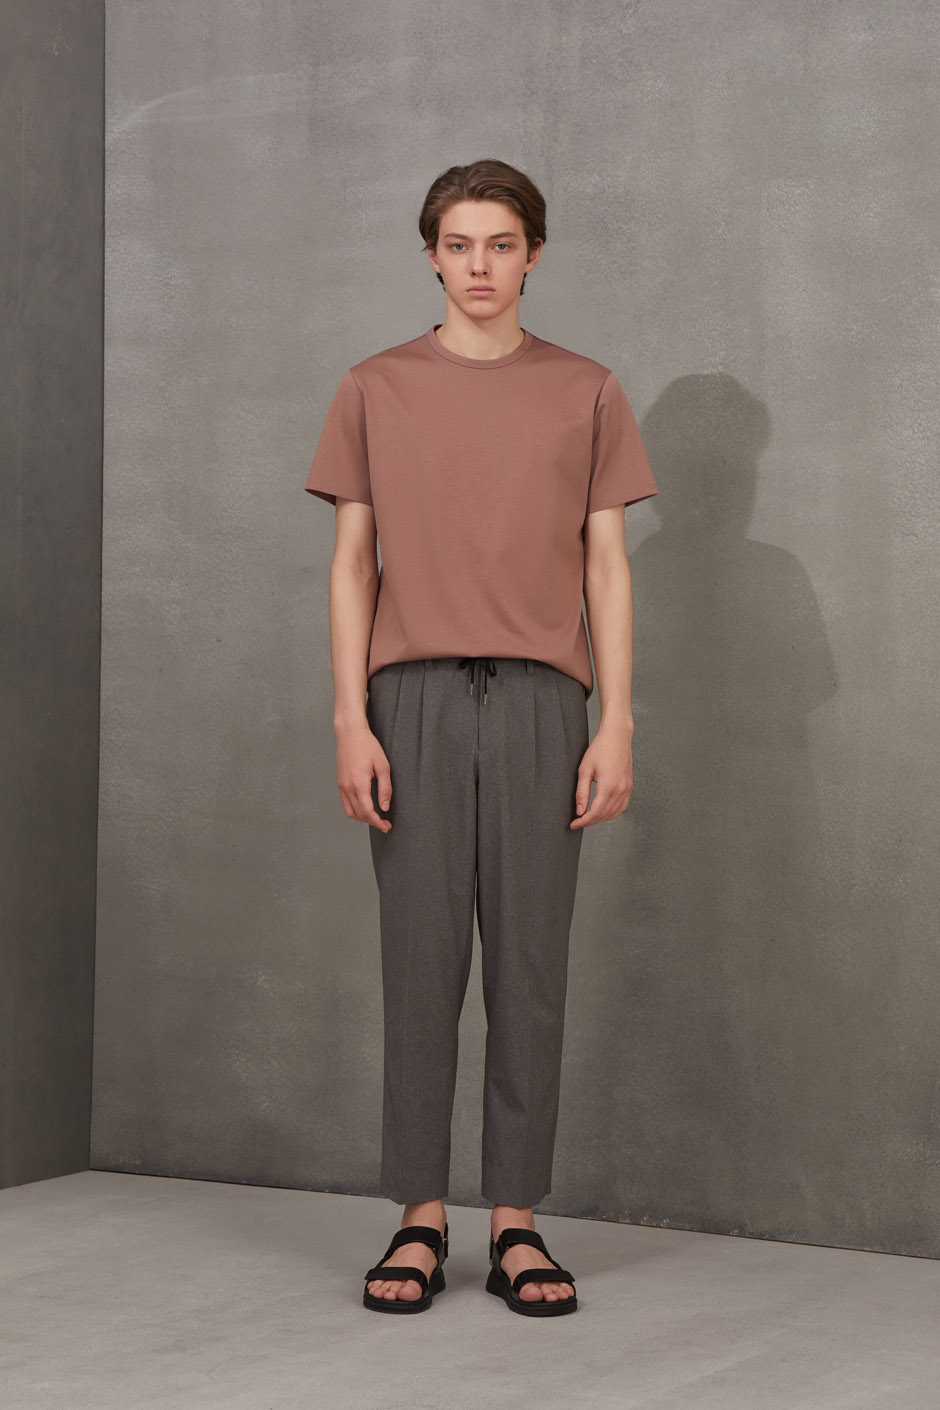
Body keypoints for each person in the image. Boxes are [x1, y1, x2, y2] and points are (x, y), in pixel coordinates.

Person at [304, 158, 658, 1317]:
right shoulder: (375, 387)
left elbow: (605, 566)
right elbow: (351, 563)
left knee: (529, 967)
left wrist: (616, 720)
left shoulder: (586, 390)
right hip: (408, 699)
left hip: (545, 705)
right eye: (458, 244)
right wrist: (350, 715)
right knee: (419, 965)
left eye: (501, 244)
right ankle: (419, 1215)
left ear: (533, 255)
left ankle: (515, 1221)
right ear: (430, 255)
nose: (478, 266)